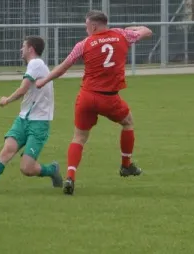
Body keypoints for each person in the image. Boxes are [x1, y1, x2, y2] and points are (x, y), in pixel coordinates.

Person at [35, 10, 152, 195]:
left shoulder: (84, 44)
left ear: (94, 26)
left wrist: (43, 81)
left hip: (87, 97)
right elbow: (147, 31)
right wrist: (134, 28)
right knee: (128, 122)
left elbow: (64, 67)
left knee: (79, 137)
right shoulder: (122, 35)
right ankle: (126, 165)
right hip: (109, 98)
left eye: (87, 25)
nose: (86, 28)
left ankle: (70, 177)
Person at [0, 36, 62, 195]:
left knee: (27, 168)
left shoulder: (35, 63)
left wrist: (6, 100)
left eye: (23, 46)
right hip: (23, 119)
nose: (20, 50)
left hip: (39, 122)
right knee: (7, 150)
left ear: (31, 49)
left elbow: (23, 89)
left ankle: (52, 170)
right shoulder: (35, 65)